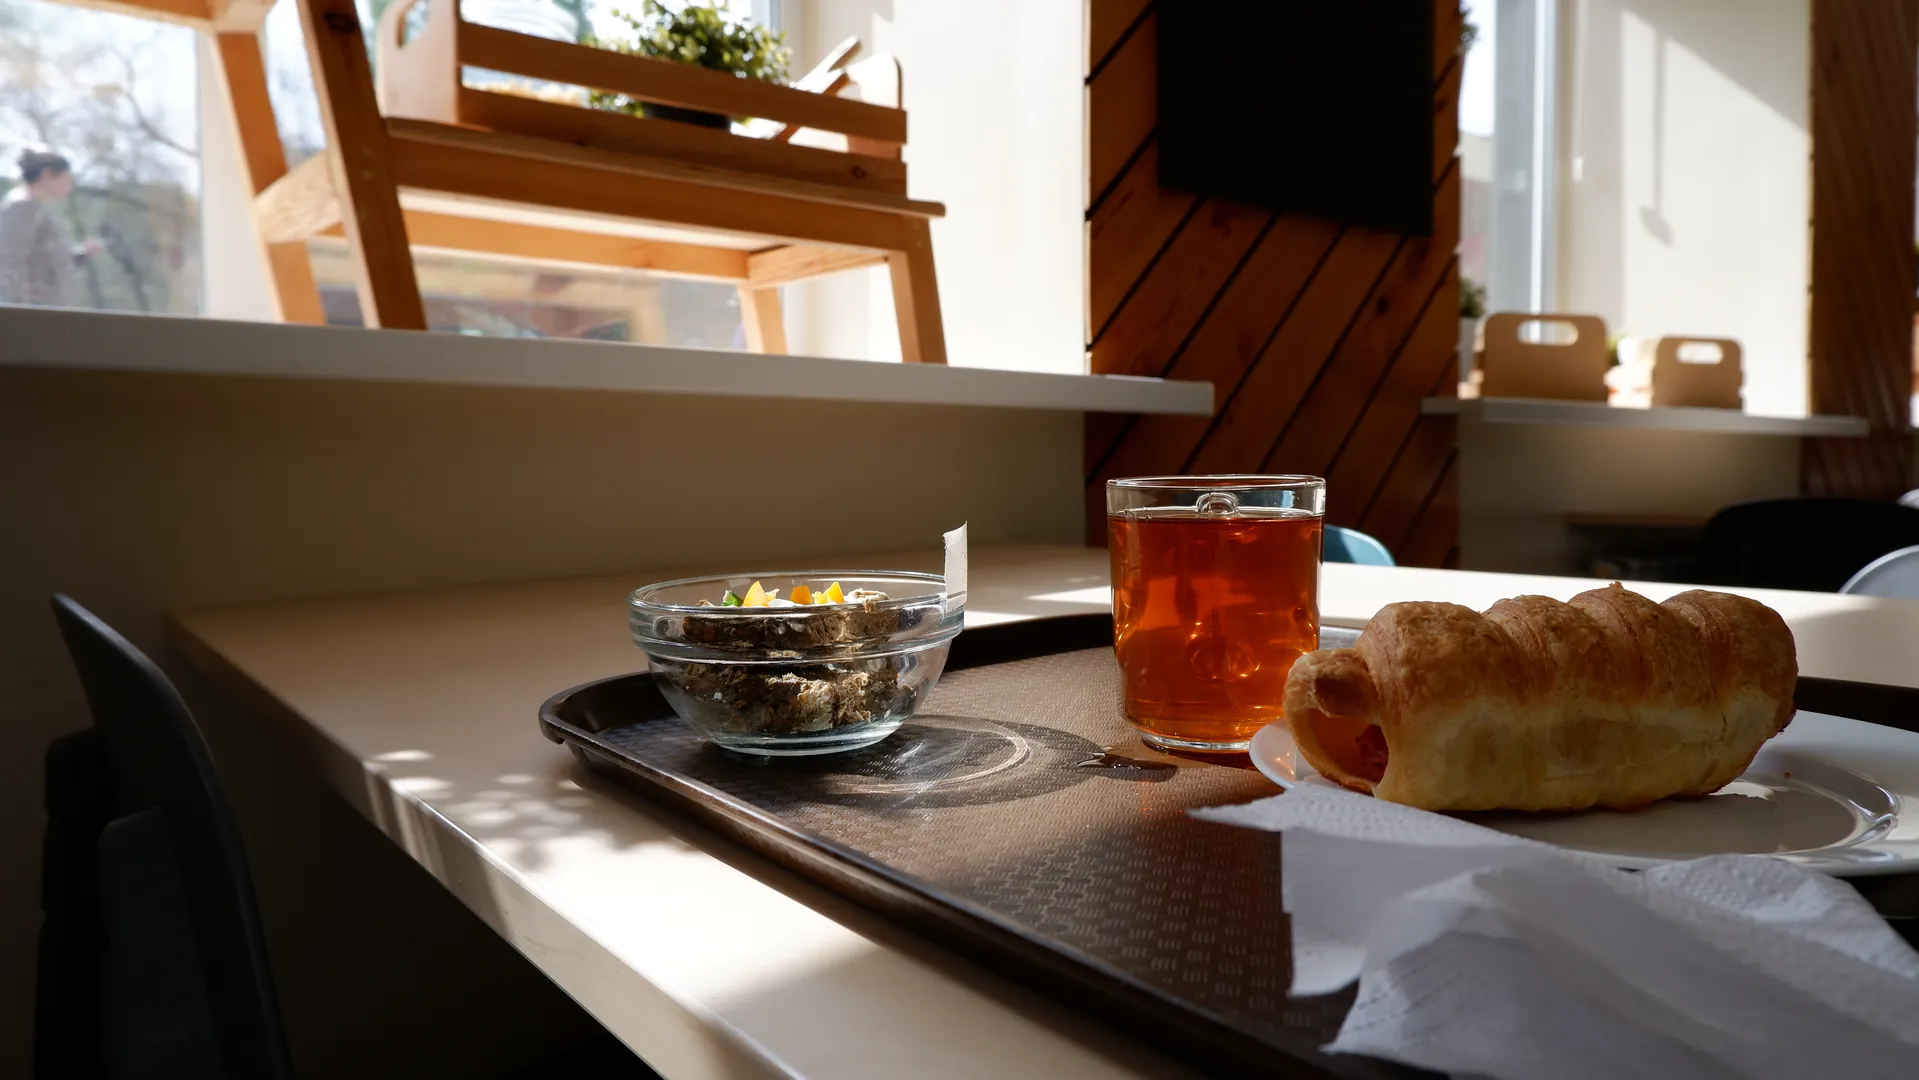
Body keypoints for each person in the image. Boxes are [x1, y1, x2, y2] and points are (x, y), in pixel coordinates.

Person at [0, 150, 104, 307]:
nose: (69, 186)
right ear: (47, 174)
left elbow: (44, 261)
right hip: (33, 314)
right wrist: (18, 311)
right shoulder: (21, 206)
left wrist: (82, 254)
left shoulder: (35, 208)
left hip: (46, 311)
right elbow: (10, 261)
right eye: (66, 179)